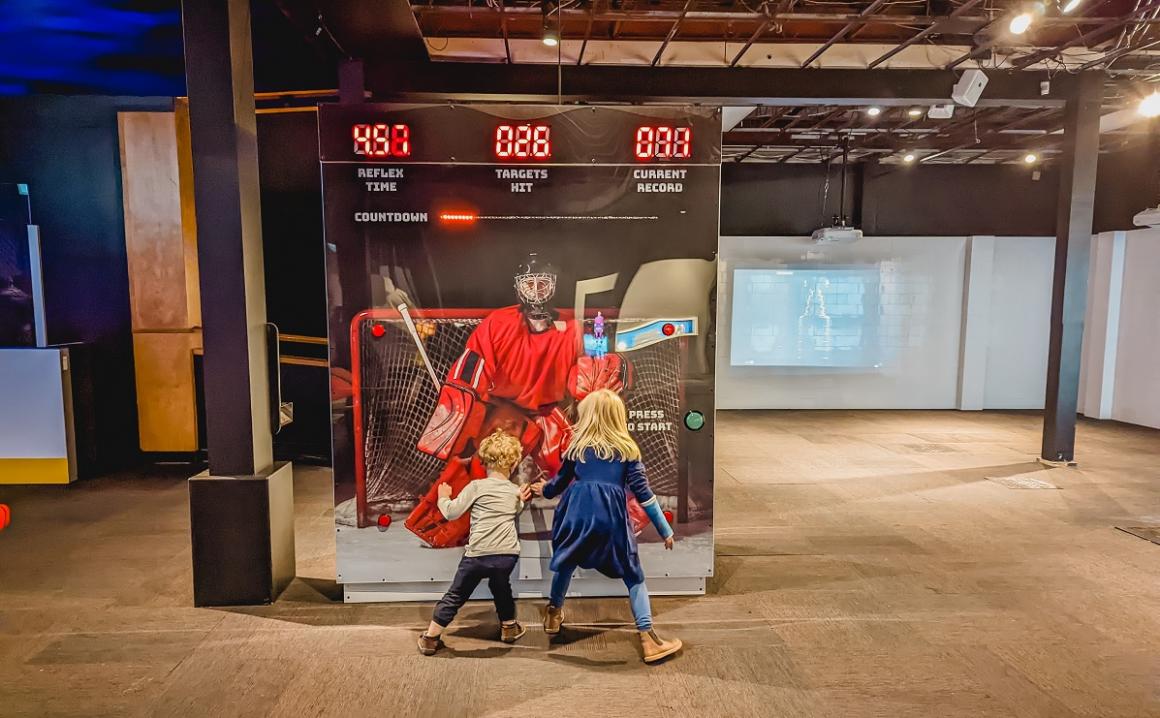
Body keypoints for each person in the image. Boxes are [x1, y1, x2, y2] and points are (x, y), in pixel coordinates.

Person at [404, 252, 638, 549]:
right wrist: (461, 420)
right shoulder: (498, 323)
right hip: (507, 412)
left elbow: (594, 366)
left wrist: (610, 373)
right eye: (530, 284)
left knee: (587, 463)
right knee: (477, 468)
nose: (537, 291)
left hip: (549, 411)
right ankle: (442, 527)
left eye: (543, 284)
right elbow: (471, 370)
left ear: (555, 286)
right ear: (518, 287)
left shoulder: (572, 327)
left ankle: (620, 523)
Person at [532, 389, 683, 664]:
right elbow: (645, 495)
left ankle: (553, 614)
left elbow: (556, 486)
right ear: (618, 418)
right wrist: (665, 529)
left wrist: (542, 489)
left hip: (575, 515)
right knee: (633, 576)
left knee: (566, 562)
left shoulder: (576, 450)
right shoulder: (628, 452)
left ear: (587, 417)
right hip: (611, 518)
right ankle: (648, 639)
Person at [417, 430, 535, 655]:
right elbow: (515, 512)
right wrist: (521, 499)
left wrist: (443, 496)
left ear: (483, 461)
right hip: (507, 556)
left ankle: (431, 638)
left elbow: (452, 512)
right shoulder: (513, 491)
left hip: (478, 555)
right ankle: (509, 627)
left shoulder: (477, 487)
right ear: (513, 463)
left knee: (456, 595)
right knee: (501, 588)